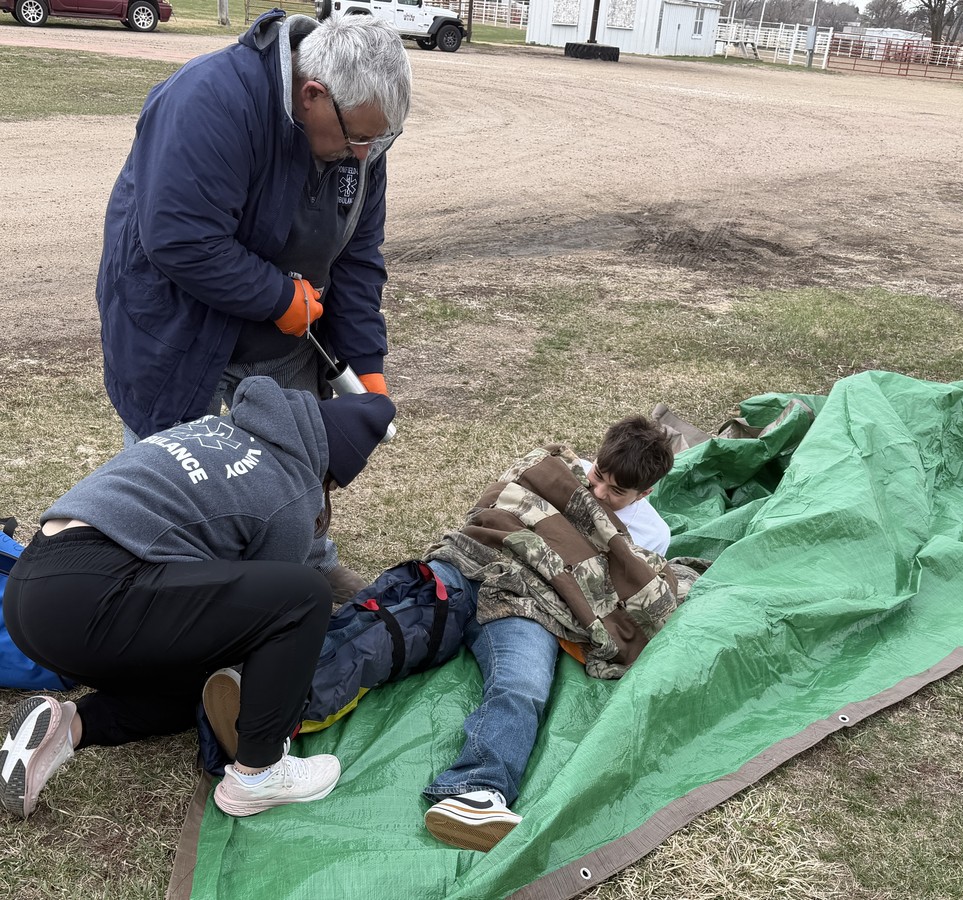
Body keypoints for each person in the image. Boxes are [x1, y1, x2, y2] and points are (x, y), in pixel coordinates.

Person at [95, 10, 412, 602]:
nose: (366, 153)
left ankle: (308, 568)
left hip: (286, 336)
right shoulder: (210, 99)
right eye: (359, 137)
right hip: (182, 332)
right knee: (180, 473)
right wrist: (276, 297)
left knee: (293, 462)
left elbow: (359, 257)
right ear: (312, 94)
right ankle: (164, 597)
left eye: (380, 138)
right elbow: (180, 237)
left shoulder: (359, 140)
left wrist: (366, 363)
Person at [0, 376, 395, 821]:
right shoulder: (292, 488)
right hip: (94, 598)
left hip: (32, 591)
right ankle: (259, 773)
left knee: (195, 687)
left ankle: (67, 728)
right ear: (333, 469)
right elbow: (270, 614)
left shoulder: (217, 430)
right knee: (304, 597)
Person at [419, 414, 685, 851]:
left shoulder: (653, 535)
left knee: (522, 685)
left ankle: (474, 791)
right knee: (381, 627)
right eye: (599, 476)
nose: (598, 493)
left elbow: (618, 598)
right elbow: (496, 508)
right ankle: (269, 736)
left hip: (533, 606)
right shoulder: (556, 474)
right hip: (474, 566)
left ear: (645, 493)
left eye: (617, 492)